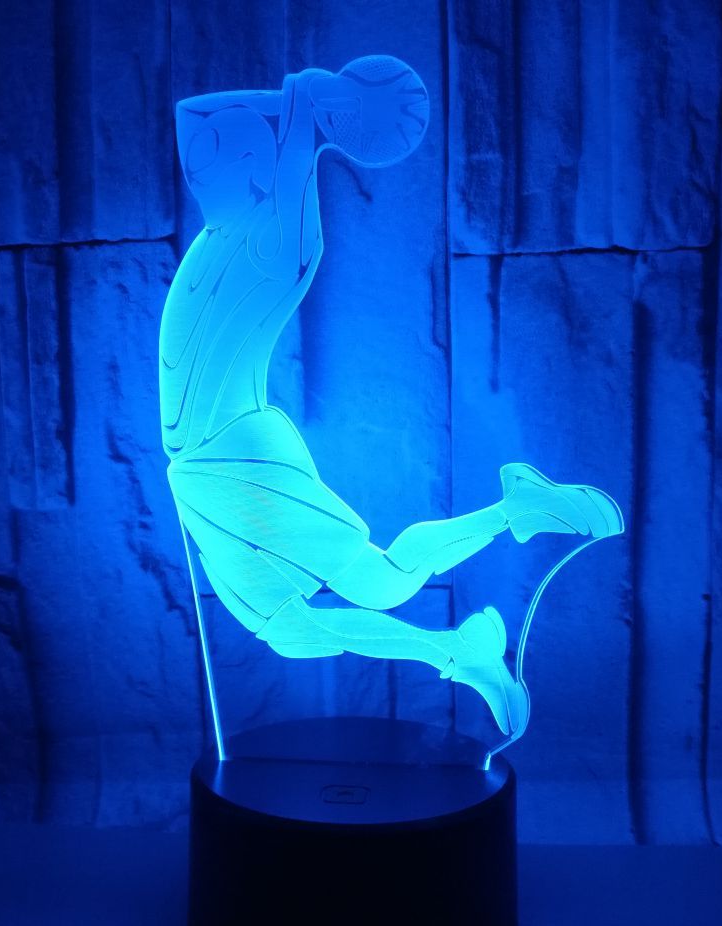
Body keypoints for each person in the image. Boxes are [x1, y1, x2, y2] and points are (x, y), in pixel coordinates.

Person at [160, 56, 622, 741]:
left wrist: (309, 108)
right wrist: (306, 98)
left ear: (260, 162)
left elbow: (209, 129)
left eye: (235, 147)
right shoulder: (224, 229)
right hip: (209, 456)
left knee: (374, 588)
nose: (209, 158)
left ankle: (510, 520)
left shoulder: (279, 245)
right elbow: (193, 116)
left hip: (226, 451)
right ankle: (465, 630)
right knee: (294, 630)